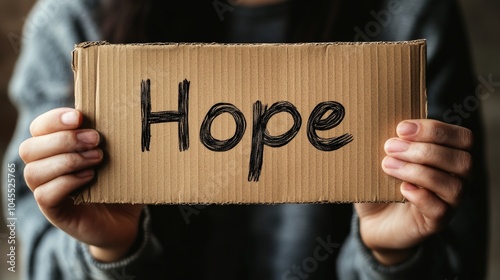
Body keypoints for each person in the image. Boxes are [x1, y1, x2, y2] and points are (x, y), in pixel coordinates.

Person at [2, 0, 489, 279]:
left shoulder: (408, 15)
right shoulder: (74, 18)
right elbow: (35, 252)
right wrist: (110, 250)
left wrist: (390, 254)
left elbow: (459, 254)